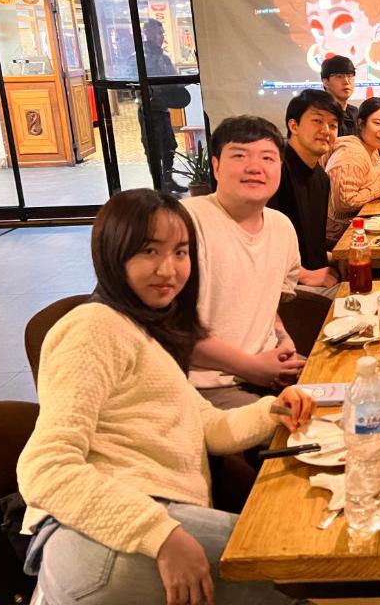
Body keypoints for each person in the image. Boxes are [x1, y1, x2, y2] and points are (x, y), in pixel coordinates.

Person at [17, 188, 314, 605]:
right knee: (310, 570)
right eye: (148, 251)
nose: (168, 269)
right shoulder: (92, 328)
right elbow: (44, 468)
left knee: (305, 554)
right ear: (111, 254)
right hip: (104, 538)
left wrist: (275, 409)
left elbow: (208, 427)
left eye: (180, 252)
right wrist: (159, 534)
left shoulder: (145, 331)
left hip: (149, 525)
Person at [183, 116, 307, 409]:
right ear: (215, 165)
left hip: (268, 370)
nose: (255, 167)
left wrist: (283, 338)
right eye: (239, 156)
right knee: (298, 437)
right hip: (204, 387)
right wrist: (252, 367)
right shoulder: (185, 222)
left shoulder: (281, 227)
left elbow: (267, 301)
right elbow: (170, 329)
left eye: (268, 157)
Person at [268, 89, 343, 295]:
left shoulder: (321, 177)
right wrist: (304, 275)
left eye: (333, 125)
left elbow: (311, 241)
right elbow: (262, 241)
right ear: (294, 126)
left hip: (314, 273)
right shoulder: (274, 169)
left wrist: (340, 256)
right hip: (284, 286)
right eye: (317, 121)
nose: (326, 130)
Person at [325, 97, 380, 245]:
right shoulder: (351, 154)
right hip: (342, 238)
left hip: (363, 227)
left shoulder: (370, 148)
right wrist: (379, 187)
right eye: (377, 123)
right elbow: (344, 203)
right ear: (360, 123)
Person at [134, 19, 191, 193]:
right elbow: (135, 81)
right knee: (154, 149)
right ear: (147, 33)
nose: (162, 37)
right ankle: (159, 185)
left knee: (169, 145)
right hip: (149, 110)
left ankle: (168, 180)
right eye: (159, 33)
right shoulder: (140, 57)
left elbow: (172, 78)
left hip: (163, 108)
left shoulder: (162, 57)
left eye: (163, 33)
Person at [321, 55, 359, 137]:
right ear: (326, 82)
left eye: (350, 76)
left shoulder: (355, 113)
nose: (346, 81)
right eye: (339, 76)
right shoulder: (320, 113)